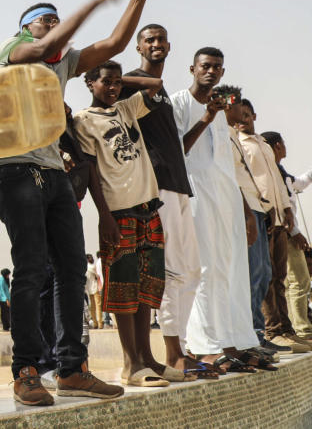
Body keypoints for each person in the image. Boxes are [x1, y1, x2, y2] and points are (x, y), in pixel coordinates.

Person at [0, 0, 149, 406]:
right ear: (26, 28)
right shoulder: (15, 50)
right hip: (16, 171)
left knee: (72, 272)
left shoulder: (64, 62)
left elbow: (116, 43)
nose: (54, 26)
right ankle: (25, 370)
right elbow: (42, 49)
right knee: (29, 271)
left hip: (54, 174)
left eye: (57, 21)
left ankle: (71, 369)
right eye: (45, 21)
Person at [73, 61, 186, 386]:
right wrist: (104, 215)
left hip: (148, 206)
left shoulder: (125, 107)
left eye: (116, 83)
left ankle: (147, 358)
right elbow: (91, 170)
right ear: (90, 83)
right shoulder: (84, 120)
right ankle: (130, 364)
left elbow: (156, 84)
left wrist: (120, 80)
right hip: (119, 211)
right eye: (105, 82)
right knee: (123, 290)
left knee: (147, 288)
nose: (112, 89)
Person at [171, 48, 269, 373]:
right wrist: (206, 117)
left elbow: (226, 168)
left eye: (216, 67)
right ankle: (207, 347)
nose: (210, 71)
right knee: (204, 271)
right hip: (196, 195)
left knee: (230, 272)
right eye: (205, 66)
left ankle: (232, 343)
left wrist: (242, 213)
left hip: (224, 201)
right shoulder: (181, 103)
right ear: (192, 69)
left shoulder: (221, 113)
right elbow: (177, 151)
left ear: (222, 73)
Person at [118, 24, 205, 376]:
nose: (156, 44)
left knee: (192, 272)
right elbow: (110, 82)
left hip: (180, 186)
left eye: (160, 39)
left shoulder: (163, 91)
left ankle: (180, 346)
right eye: (148, 39)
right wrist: (149, 82)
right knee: (168, 272)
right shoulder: (132, 82)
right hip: (158, 188)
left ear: (169, 46)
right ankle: (171, 353)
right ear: (139, 46)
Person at [233, 99, 310, 353]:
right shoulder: (238, 144)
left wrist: (286, 210)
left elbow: (277, 181)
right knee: (261, 277)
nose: (243, 119)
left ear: (254, 116)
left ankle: (284, 329)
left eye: (247, 115)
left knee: (276, 277)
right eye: (239, 115)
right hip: (262, 217)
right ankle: (269, 330)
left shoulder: (262, 145)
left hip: (277, 218)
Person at [218, 86, 280, 356]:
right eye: (236, 109)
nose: (242, 117)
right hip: (242, 209)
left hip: (256, 207)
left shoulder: (233, 136)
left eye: (246, 112)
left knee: (264, 273)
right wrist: (245, 214)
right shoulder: (221, 135)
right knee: (253, 273)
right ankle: (252, 334)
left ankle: (254, 333)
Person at [264, 131, 312, 339]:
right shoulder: (272, 173)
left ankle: (294, 327)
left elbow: (298, 184)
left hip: (289, 233)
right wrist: (295, 233)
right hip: (286, 233)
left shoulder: (281, 173)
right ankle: (301, 328)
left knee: (290, 281)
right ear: (277, 146)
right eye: (283, 143)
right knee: (298, 281)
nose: (285, 146)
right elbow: (281, 207)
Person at [85, 255, 101, 329]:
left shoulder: (85, 267)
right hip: (95, 288)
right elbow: (98, 276)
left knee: (92, 306)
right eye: (90, 258)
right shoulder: (91, 267)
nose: (92, 259)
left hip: (89, 289)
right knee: (98, 306)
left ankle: (95, 323)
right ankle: (100, 323)